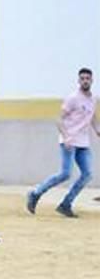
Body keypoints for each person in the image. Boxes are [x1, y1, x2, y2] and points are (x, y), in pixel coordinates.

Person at [27, 68, 98, 218]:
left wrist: (97, 130)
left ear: (92, 80)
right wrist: (66, 137)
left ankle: (66, 204)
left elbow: (92, 116)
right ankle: (35, 193)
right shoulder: (73, 98)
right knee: (65, 174)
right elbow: (59, 119)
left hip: (83, 143)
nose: (85, 81)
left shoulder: (93, 99)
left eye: (88, 78)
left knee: (87, 174)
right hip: (69, 142)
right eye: (82, 78)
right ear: (79, 81)